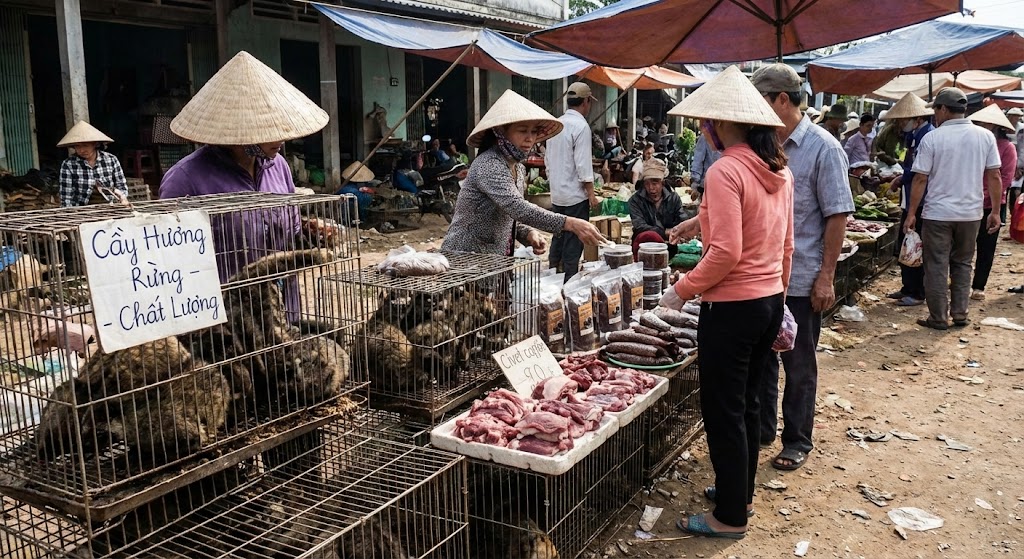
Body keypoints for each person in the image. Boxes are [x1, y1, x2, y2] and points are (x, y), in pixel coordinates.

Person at [659, 65, 793, 540]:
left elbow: (727, 252)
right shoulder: (778, 168)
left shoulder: (726, 169)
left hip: (732, 309)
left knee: (724, 411)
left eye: (703, 122)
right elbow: (785, 246)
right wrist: (779, 296)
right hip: (768, 300)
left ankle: (730, 518)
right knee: (749, 404)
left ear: (719, 123)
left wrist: (681, 291)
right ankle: (741, 492)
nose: (700, 129)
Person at [160, 50, 329, 320]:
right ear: (239, 134)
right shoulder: (186, 178)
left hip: (283, 304)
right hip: (228, 318)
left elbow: (292, 234)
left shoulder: (278, 166)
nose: (281, 139)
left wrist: (311, 233)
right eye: (268, 131)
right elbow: (170, 259)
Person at [752, 63, 854, 471]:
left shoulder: (824, 148)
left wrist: (826, 276)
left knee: (799, 363)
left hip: (803, 275)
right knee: (762, 360)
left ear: (781, 99)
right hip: (763, 276)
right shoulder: (762, 144)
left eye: (761, 101)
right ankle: (763, 428)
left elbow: (838, 215)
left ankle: (797, 439)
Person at [442, 90, 603, 256]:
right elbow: (517, 208)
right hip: (465, 258)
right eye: (522, 131)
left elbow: (508, 216)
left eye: (534, 132)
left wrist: (528, 234)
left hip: (494, 261)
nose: (530, 139)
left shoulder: (518, 168)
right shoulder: (489, 164)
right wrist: (570, 223)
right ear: (501, 131)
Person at [904, 87, 1002, 330]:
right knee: (963, 263)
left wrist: (912, 213)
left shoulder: (933, 138)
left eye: (936, 109)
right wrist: (996, 211)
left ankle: (938, 317)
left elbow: (920, 179)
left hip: (938, 213)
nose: (934, 115)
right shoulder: (985, 136)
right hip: (971, 214)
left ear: (944, 109)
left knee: (936, 265)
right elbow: (994, 176)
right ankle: (960, 313)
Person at [546, 82, 601, 280]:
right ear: (586, 101)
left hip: (557, 193)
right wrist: (592, 194)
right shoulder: (581, 127)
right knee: (574, 239)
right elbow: (583, 166)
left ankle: (553, 274)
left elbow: (548, 162)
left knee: (558, 235)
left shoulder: (556, 124)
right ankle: (568, 280)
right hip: (575, 196)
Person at [885, 93, 935, 307]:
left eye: (902, 120)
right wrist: (899, 178)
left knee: (917, 244)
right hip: (910, 196)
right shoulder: (915, 135)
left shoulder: (927, 136)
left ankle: (917, 291)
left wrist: (901, 178)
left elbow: (919, 173)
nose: (900, 124)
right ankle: (908, 286)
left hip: (920, 200)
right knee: (907, 242)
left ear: (917, 118)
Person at [967, 105, 1017, 300]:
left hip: (992, 204)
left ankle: (979, 285)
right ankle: (959, 280)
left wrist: (986, 195)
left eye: (983, 123)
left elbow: (1005, 178)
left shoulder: (1007, 148)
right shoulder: (974, 143)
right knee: (963, 245)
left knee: (986, 246)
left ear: (993, 125)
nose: (981, 125)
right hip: (970, 200)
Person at [57, 121, 128, 207]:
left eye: (85, 145)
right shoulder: (69, 165)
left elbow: (121, 185)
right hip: (82, 209)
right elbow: (66, 196)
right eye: (78, 146)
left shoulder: (111, 160)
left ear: (95, 144)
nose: (82, 150)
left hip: (110, 206)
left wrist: (122, 197)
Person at [628, 158, 685, 259]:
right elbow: (640, 226)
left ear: (662, 183)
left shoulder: (673, 198)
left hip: (670, 246)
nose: (651, 188)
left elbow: (682, 219)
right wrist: (665, 232)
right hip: (643, 247)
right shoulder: (635, 200)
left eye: (655, 183)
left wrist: (679, 231)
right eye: (647, 184)